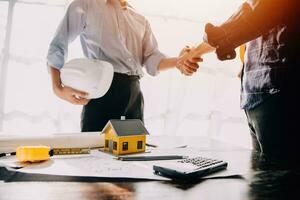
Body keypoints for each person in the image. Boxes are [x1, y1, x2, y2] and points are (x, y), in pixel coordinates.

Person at [47, 0, 198, 132]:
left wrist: (179, 61)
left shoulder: (140, 19)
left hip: (134, 94)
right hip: (102, 92)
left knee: (135, 153)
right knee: (96, 154)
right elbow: (58, 45)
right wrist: (57, 87)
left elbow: (152, 58)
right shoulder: (84, 5)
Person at [186, 0, 299, 167]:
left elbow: (256, 14)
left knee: (283, 179)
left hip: (279, 93)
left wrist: (199, 48)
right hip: (260, 93)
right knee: (264, 179)